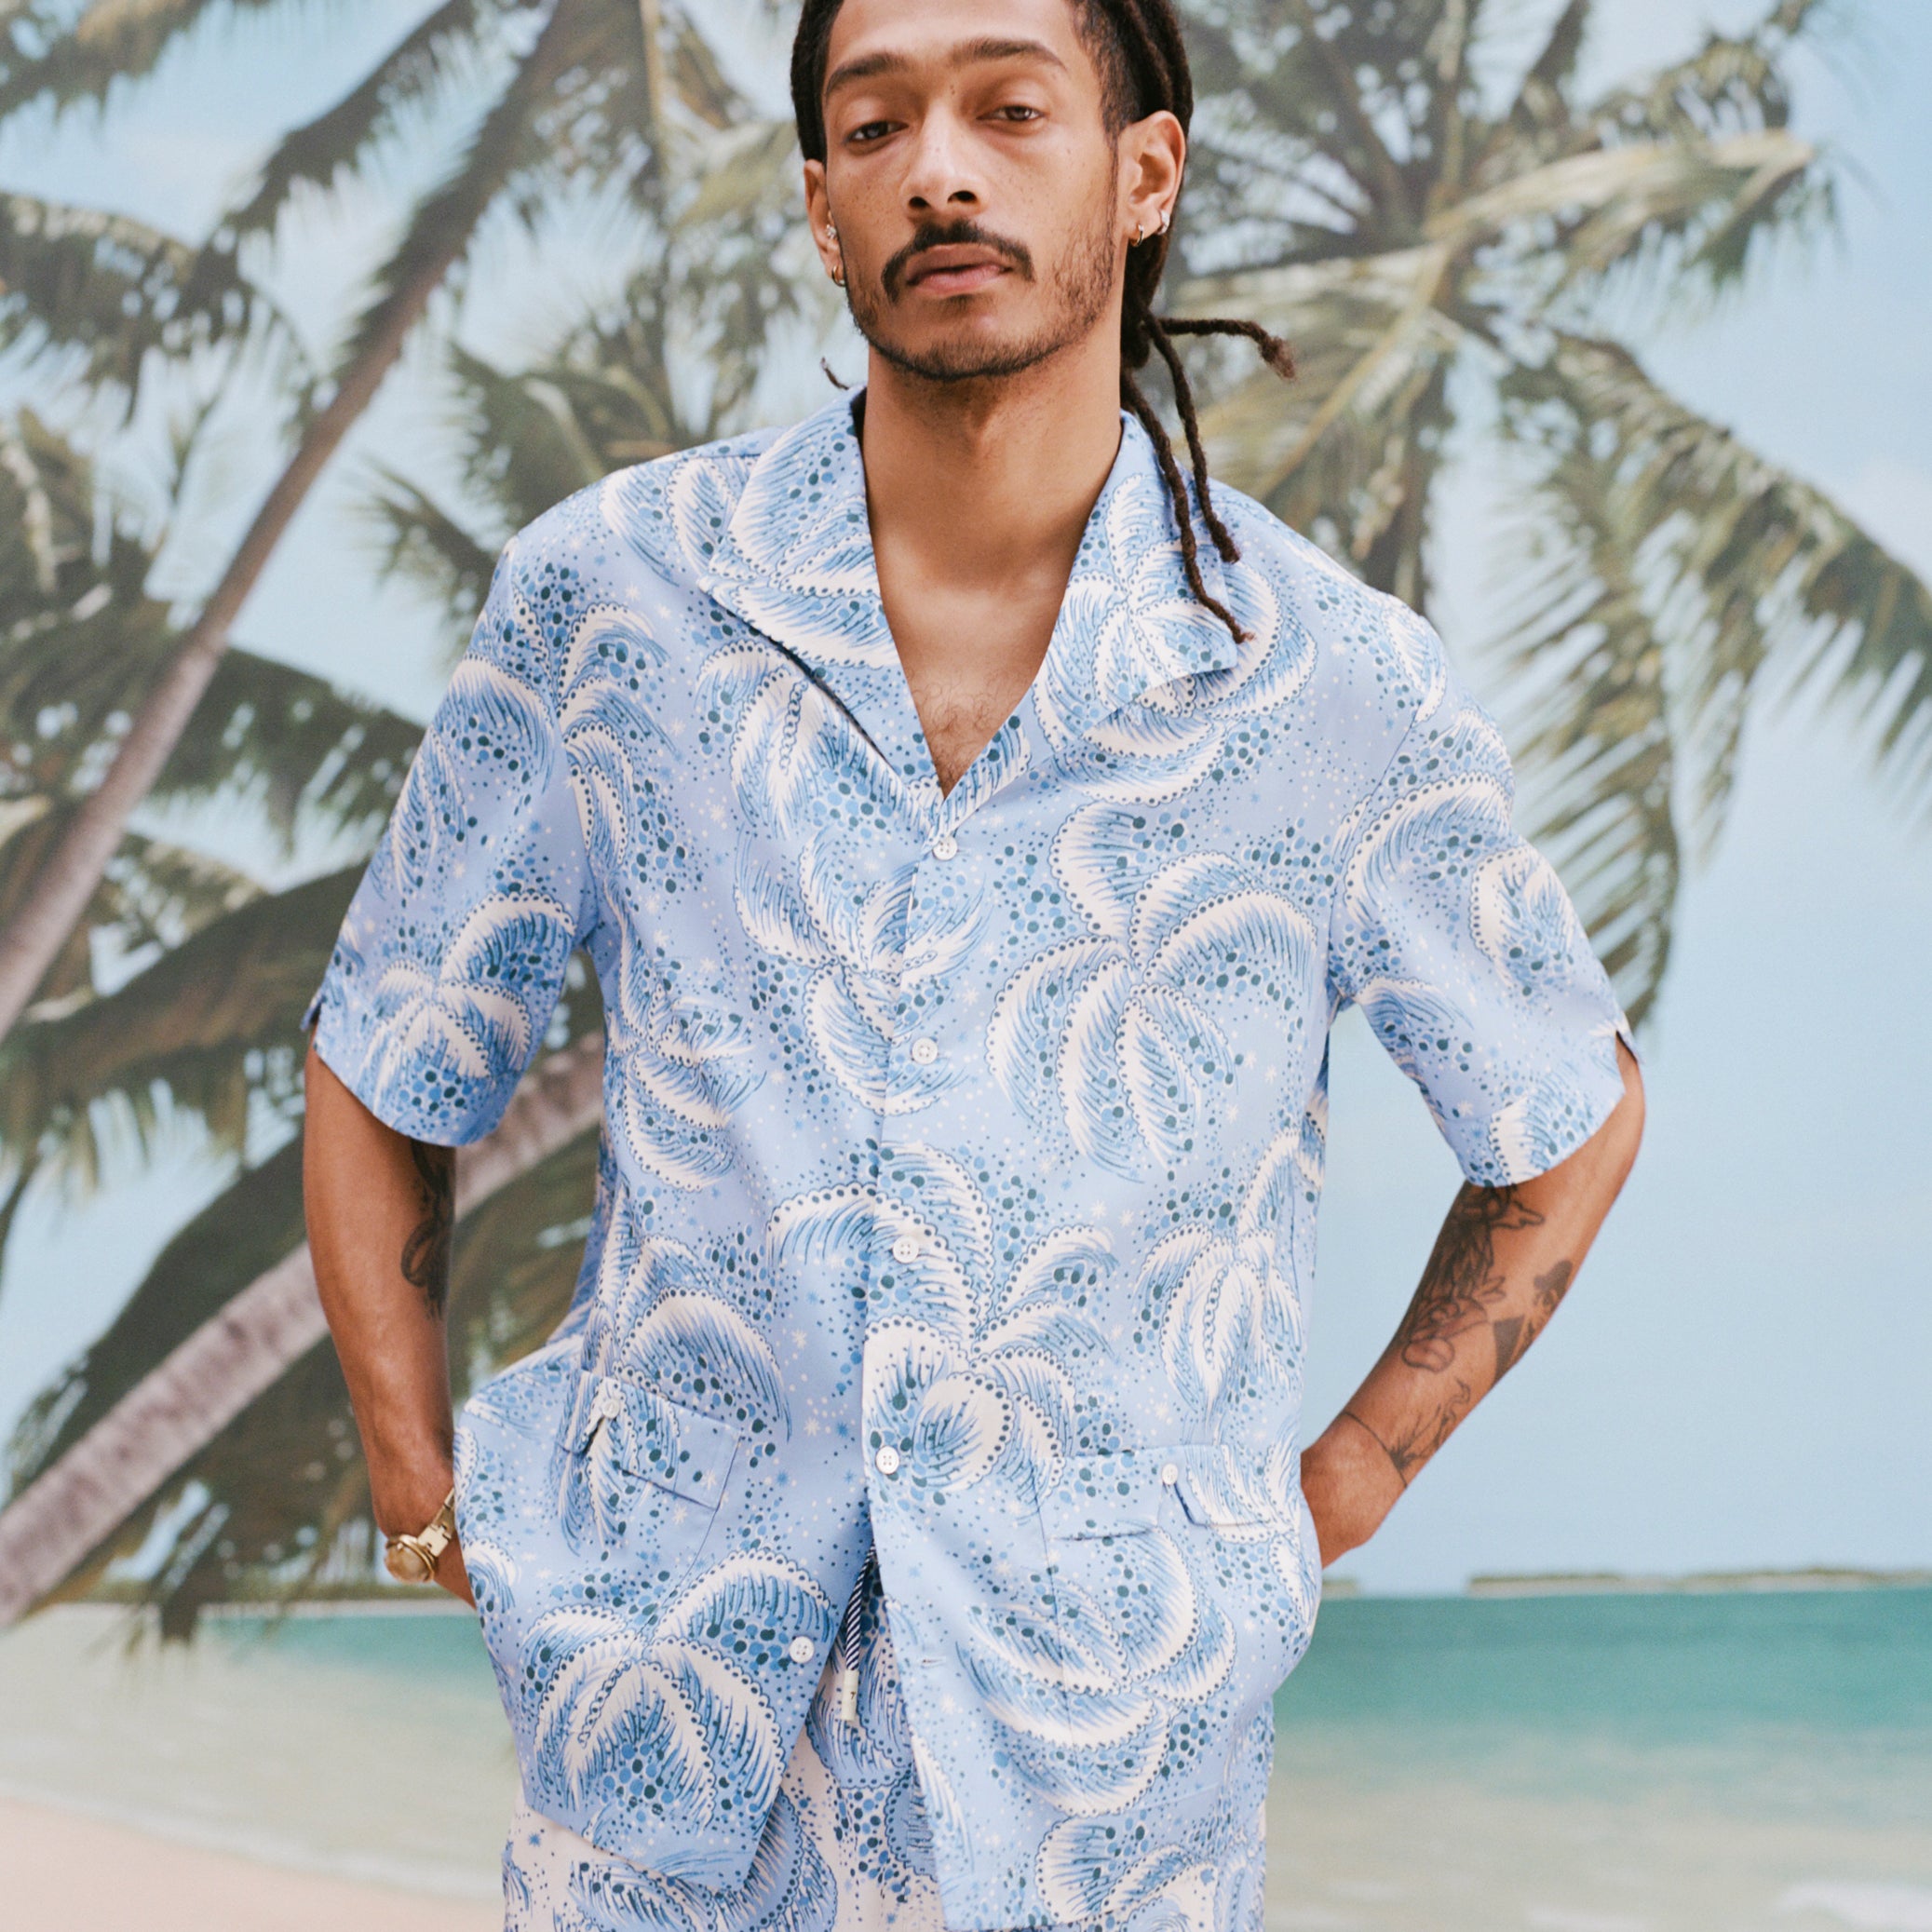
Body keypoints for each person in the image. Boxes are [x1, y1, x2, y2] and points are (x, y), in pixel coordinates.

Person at [301, 0, 1646, 1927]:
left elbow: (1566, 1113)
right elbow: (383, 1049)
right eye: (874, 125)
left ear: (1146, 174)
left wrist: (1344, 1479)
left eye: (1012, 108)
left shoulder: (1330, 689)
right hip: (659, 1775)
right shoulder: (615, 600)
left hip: (1106, 1808)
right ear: (824, 209)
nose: (939, 166)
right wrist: (416, 1482)